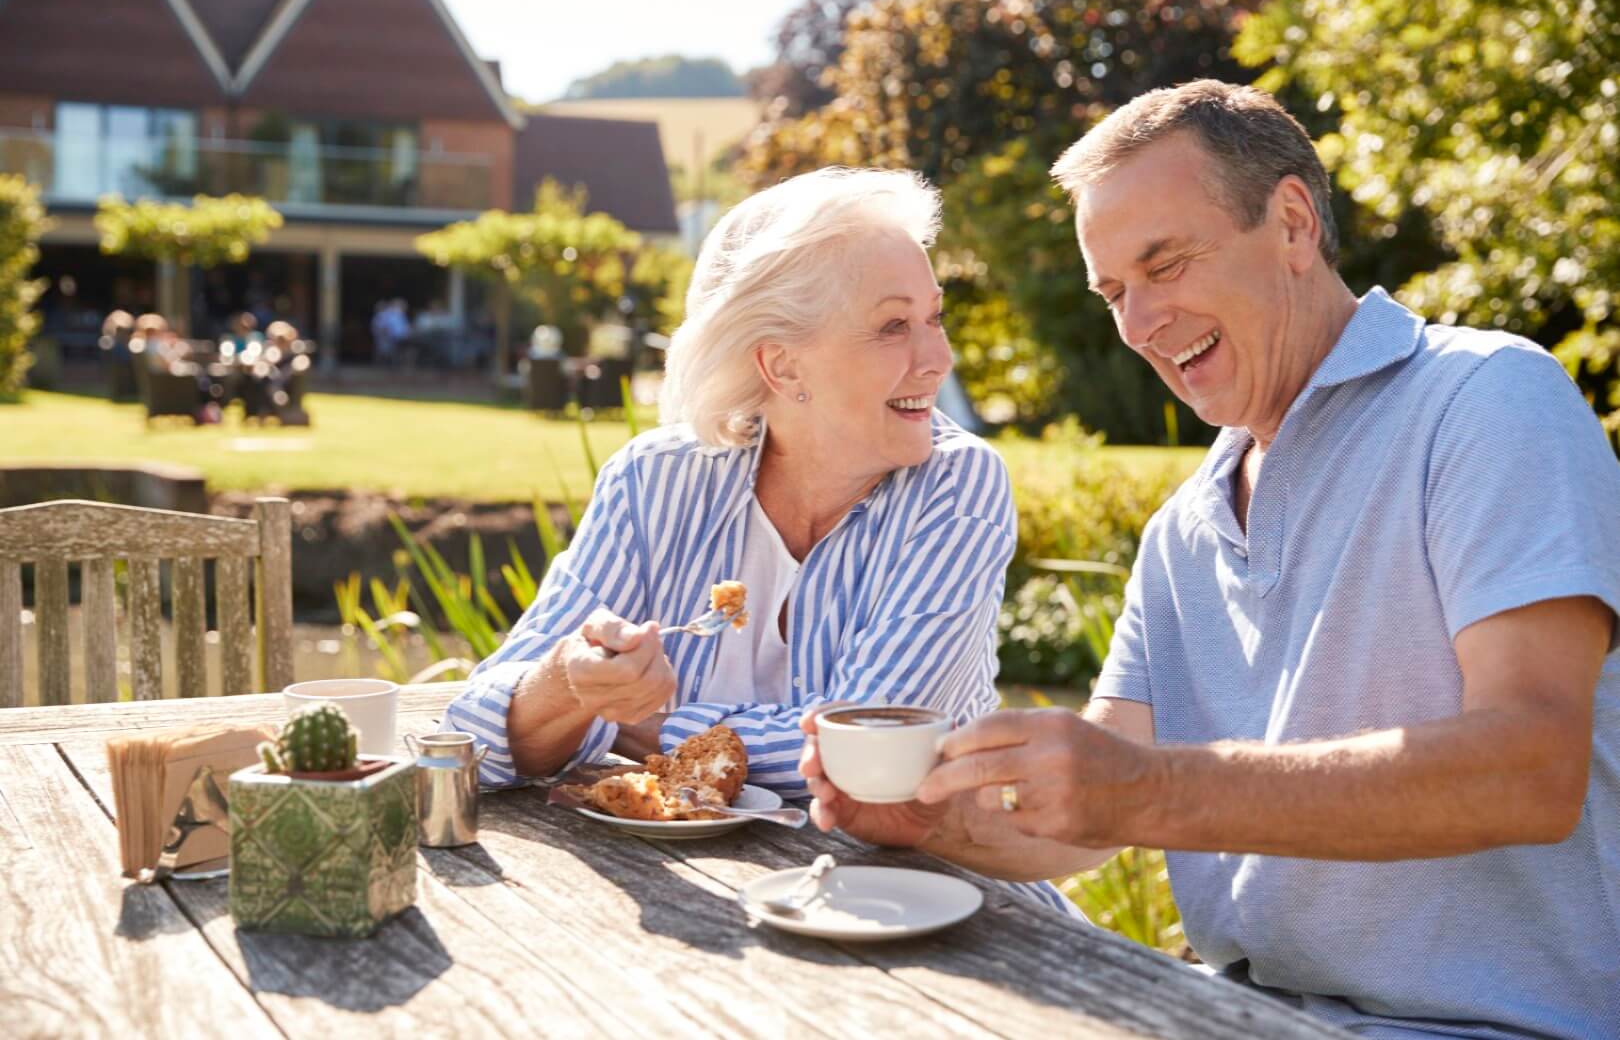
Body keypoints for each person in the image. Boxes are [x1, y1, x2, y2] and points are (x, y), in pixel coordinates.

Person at [801, 80, 1620, 1037]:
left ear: (1292, 223)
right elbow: (1084, 817)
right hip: (1228, 1012)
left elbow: (1530, 768)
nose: (1140, 323)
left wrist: (1151, 792)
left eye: (1167, 264)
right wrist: (933, 822)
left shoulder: (1485, 400)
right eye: (1114, 292)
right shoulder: (1182, 530)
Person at [444, 166, 1074, 912]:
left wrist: (628, 722)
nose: (937, 359)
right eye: (893, 325)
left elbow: (868, 754)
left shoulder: (957, 485)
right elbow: (473, 737)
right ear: (781, 364)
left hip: (940, 909)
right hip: (702, 909)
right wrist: (570, 679)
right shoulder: (655, 482)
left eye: (934, 318)